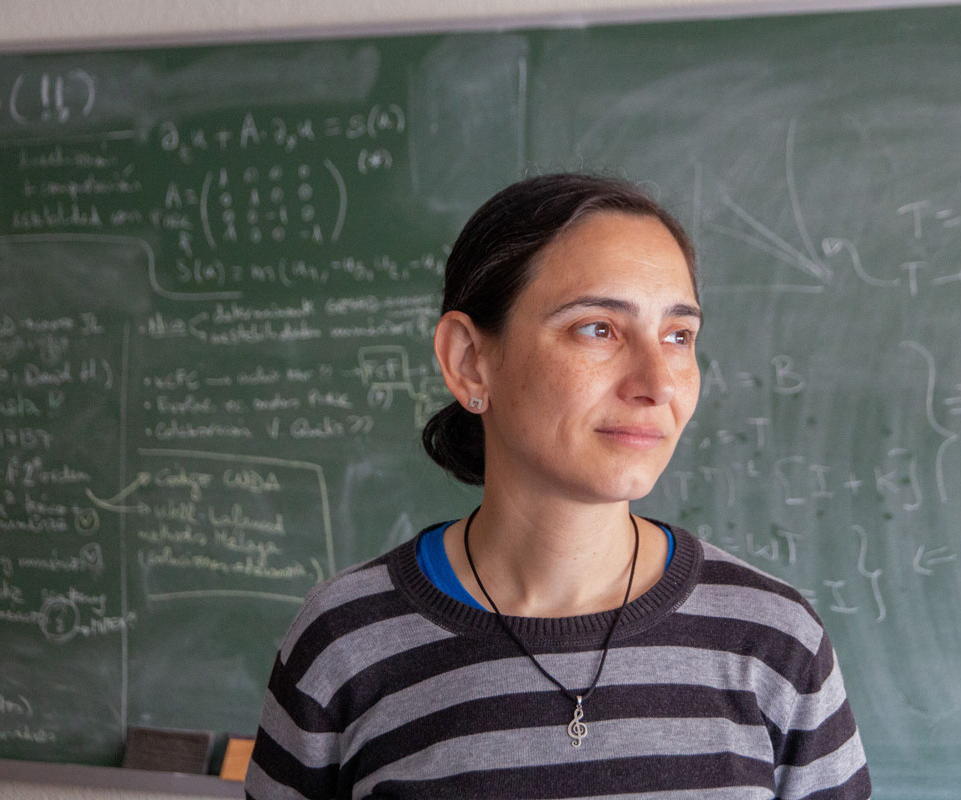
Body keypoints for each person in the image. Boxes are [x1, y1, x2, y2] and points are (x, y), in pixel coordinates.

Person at [245, 173, 871, 799]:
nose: (656, 382)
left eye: (679, 336)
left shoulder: (775, 644)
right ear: (468, 360)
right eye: (597, 328)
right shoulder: (344, 643)